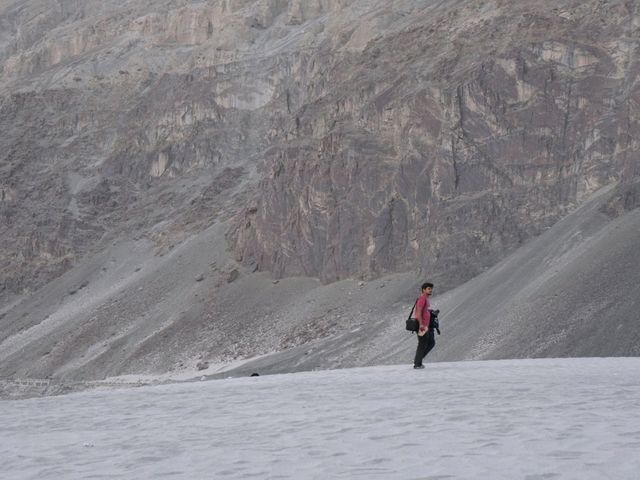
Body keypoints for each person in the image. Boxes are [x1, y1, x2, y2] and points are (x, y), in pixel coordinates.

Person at [413, 282, 435, 369]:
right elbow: (418, 312)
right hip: (422, 326)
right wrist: (421, 324)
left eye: (431, 289)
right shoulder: (422, 299)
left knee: (431, 342)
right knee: (422, 344)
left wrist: (431, 312)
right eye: (429, 289)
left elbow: (424, 311)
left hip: (426, 326)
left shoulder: (425, 299)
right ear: (424, 289)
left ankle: (418, 359)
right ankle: (417, 364)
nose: (431, 290)